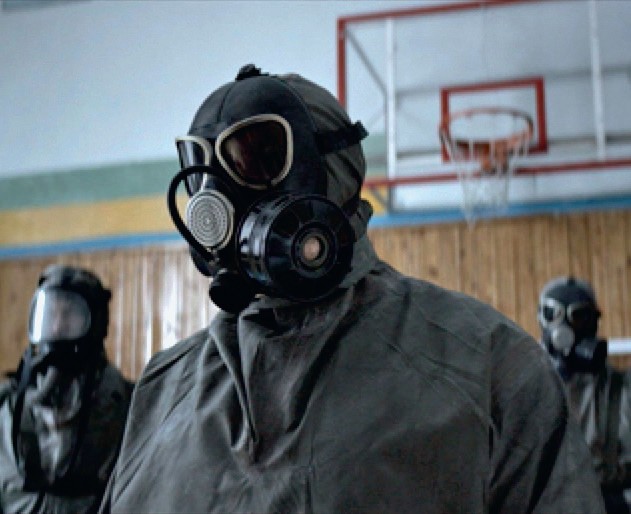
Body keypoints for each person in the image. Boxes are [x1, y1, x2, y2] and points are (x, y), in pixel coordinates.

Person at [100, 64, 605, 513]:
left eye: (255, 160)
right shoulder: (161, 390)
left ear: (336, 173)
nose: (217, 201)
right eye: (202, 168)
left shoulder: (488, 365)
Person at [0, 265, 134, 514]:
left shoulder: (125, 405)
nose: (56, 326)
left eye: (70, 315)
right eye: (50, 314)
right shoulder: (8, 405)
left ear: (95, 324)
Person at [538, 276, 631, 513]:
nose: (563, 328)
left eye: (578, 316)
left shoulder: (623, 393)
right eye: (552, 314)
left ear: (595, 322)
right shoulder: (522, 393)